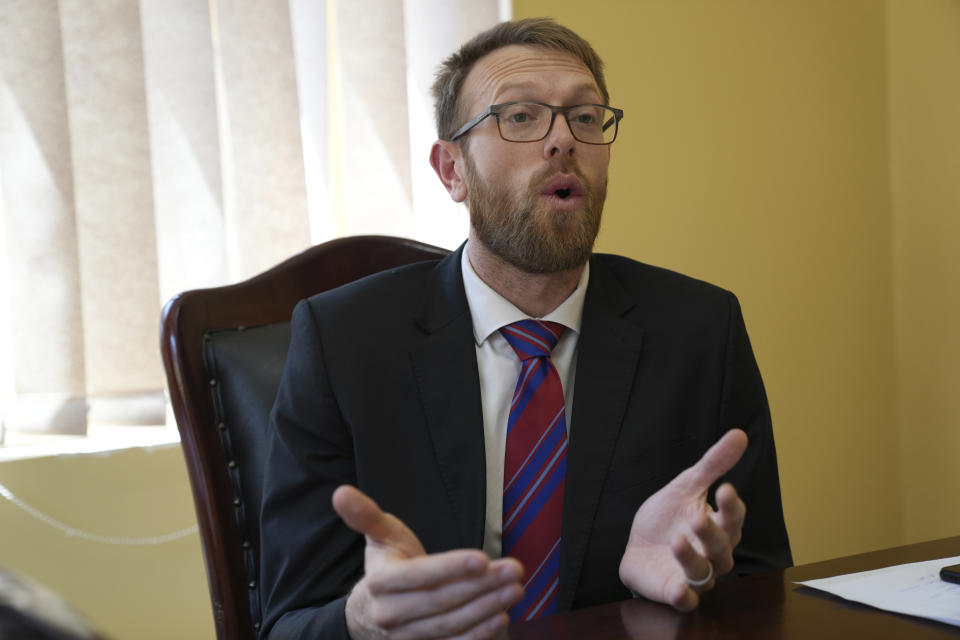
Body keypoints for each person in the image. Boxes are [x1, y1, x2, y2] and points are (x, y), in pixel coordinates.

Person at [259, 17, 791, 640]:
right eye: (520, 117)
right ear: (451, 170)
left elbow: (763, 586)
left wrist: (698, 583)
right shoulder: (342, 341)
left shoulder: (701, 330)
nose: (563, 140)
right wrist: (362, 620)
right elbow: (287, 624)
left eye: (586, 118)